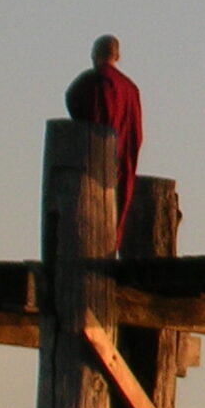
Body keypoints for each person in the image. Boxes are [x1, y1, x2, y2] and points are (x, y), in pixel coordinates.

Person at [64, 34, 143, 251]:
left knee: (88, 233)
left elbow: (79, 108)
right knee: (114, 225)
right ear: (117, 55)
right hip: (123, 165)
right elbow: (136, 133)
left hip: (95, 166)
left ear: (95, 54)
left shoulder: (94, 82)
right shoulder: (131, 89)